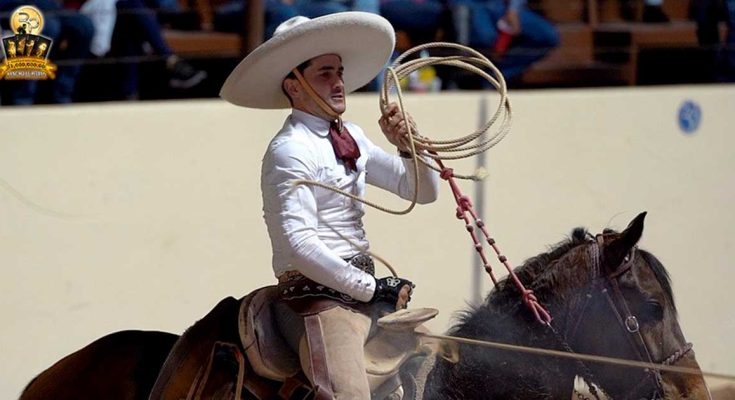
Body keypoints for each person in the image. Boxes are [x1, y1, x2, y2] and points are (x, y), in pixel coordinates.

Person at [219, 12, 440, 399]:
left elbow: (420, 191)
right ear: (294, 85)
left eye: (338, 72)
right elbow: (301, 245)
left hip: (360, 289)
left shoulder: (351, 134)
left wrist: (408, 147)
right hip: (316, 300)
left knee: (438, 362)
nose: (339, 82)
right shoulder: (289, 150)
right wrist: (371, 289)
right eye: (325, 73)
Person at [450, 0, 559, 82]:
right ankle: (470, 76)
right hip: (471, 4)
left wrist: (513, 10)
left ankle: (494, 76)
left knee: (548, 37)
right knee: (486, 39)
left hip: (502, 6)